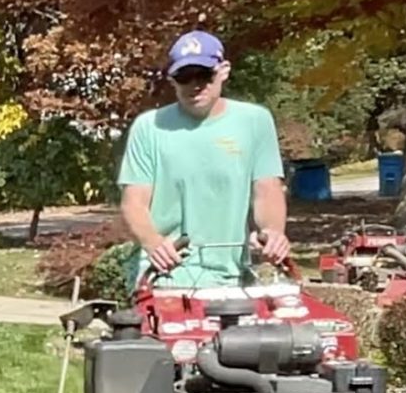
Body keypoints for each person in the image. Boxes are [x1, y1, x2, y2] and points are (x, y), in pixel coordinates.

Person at [114, 29, 291, 290]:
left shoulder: (255, 122)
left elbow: (267, 191)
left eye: (204, 75)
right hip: (162, 276)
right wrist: (153, 242)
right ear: (173, 81)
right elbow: (134, 203)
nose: (195, 85)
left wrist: (273, 233)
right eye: (184, 77)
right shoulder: (149, 127)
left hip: (231, 278)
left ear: (224, 71)